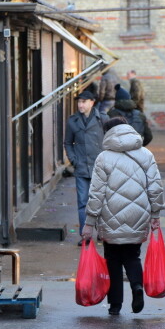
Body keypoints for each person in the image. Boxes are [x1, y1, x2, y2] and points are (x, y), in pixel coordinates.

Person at [82, 116, 165, 315]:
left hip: (111, 214)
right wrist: (155, 214)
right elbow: (155, 187)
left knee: (113, 259)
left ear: (108, 133)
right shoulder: (146, 154)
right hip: (139, 213)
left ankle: (115, 304)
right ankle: (137, 287)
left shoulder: (103, 157)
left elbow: (96, 192)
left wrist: (89, 222)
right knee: (132, 256)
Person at [64, 90, 109, 246]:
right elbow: (68, 143)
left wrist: (107, 160)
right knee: (83, 202)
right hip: (81, 167)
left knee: (102, 201)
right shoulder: (73, 121)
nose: (80, 105)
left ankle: (102, 233)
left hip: (100, 168)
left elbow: (110, 141)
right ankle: (85, 236)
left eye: (84, 101)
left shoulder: (102, 119)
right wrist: (73, 160)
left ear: (92, 102)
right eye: (79, 102)